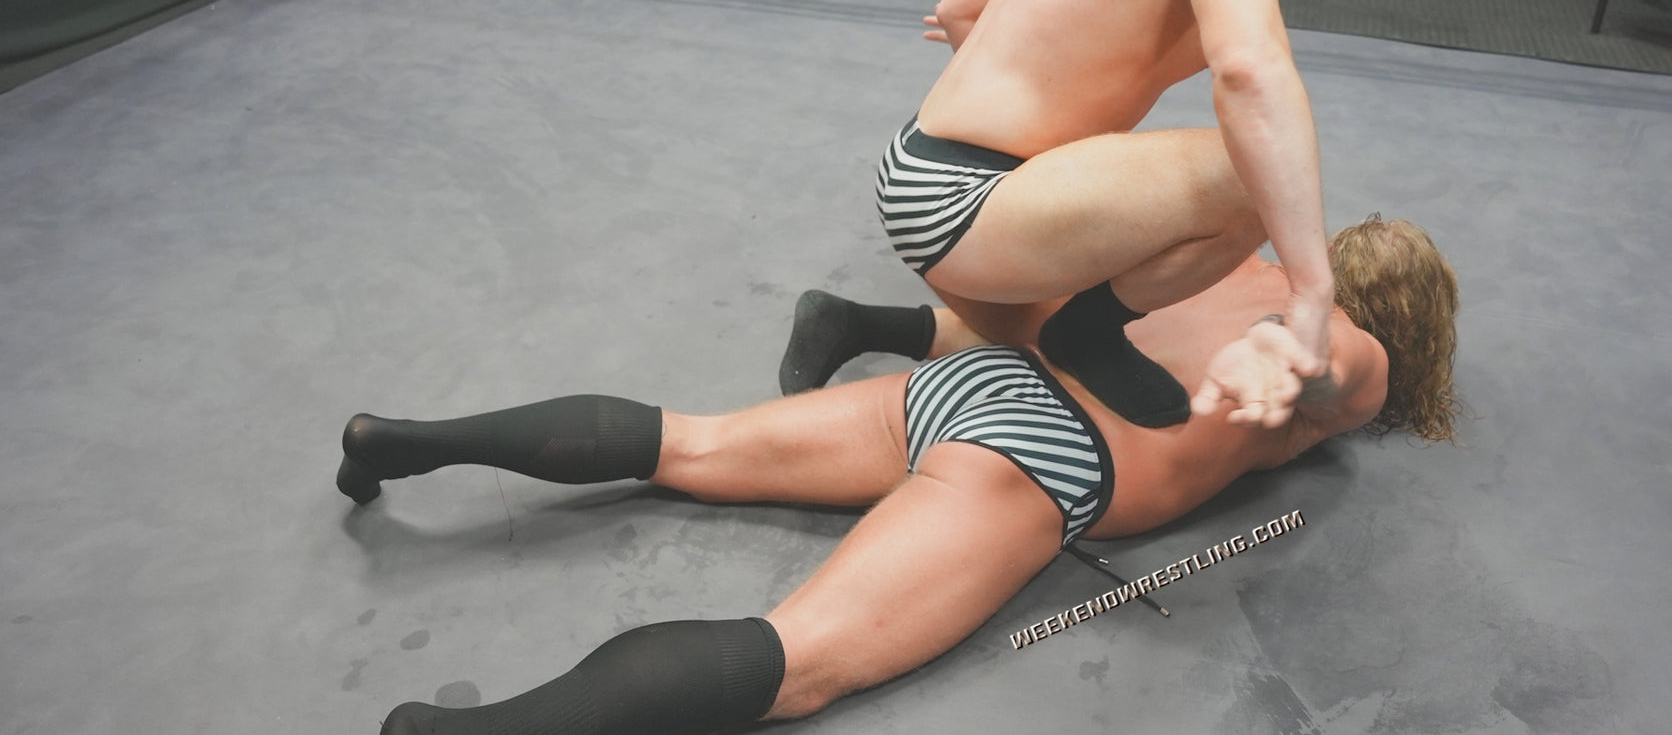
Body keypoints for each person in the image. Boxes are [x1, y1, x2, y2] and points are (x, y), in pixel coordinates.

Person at [337, 214, 1460, 735]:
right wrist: (1290, 357)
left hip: (975, 385)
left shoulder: (1236, 261)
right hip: (1041, 459)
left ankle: (401, 435)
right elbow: (1336, 362)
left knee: (693, 441)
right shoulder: (1354, 350)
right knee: (801, 659)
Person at [872, 0, 1375, 430]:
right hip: (969, 205)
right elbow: (1249, 72)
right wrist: (1311, 293)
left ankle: (869, 321)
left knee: (1028, 343)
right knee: (1254, 175)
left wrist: (1033, 119)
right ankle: (1087, 331)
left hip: (915, 172)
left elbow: (960, 6)